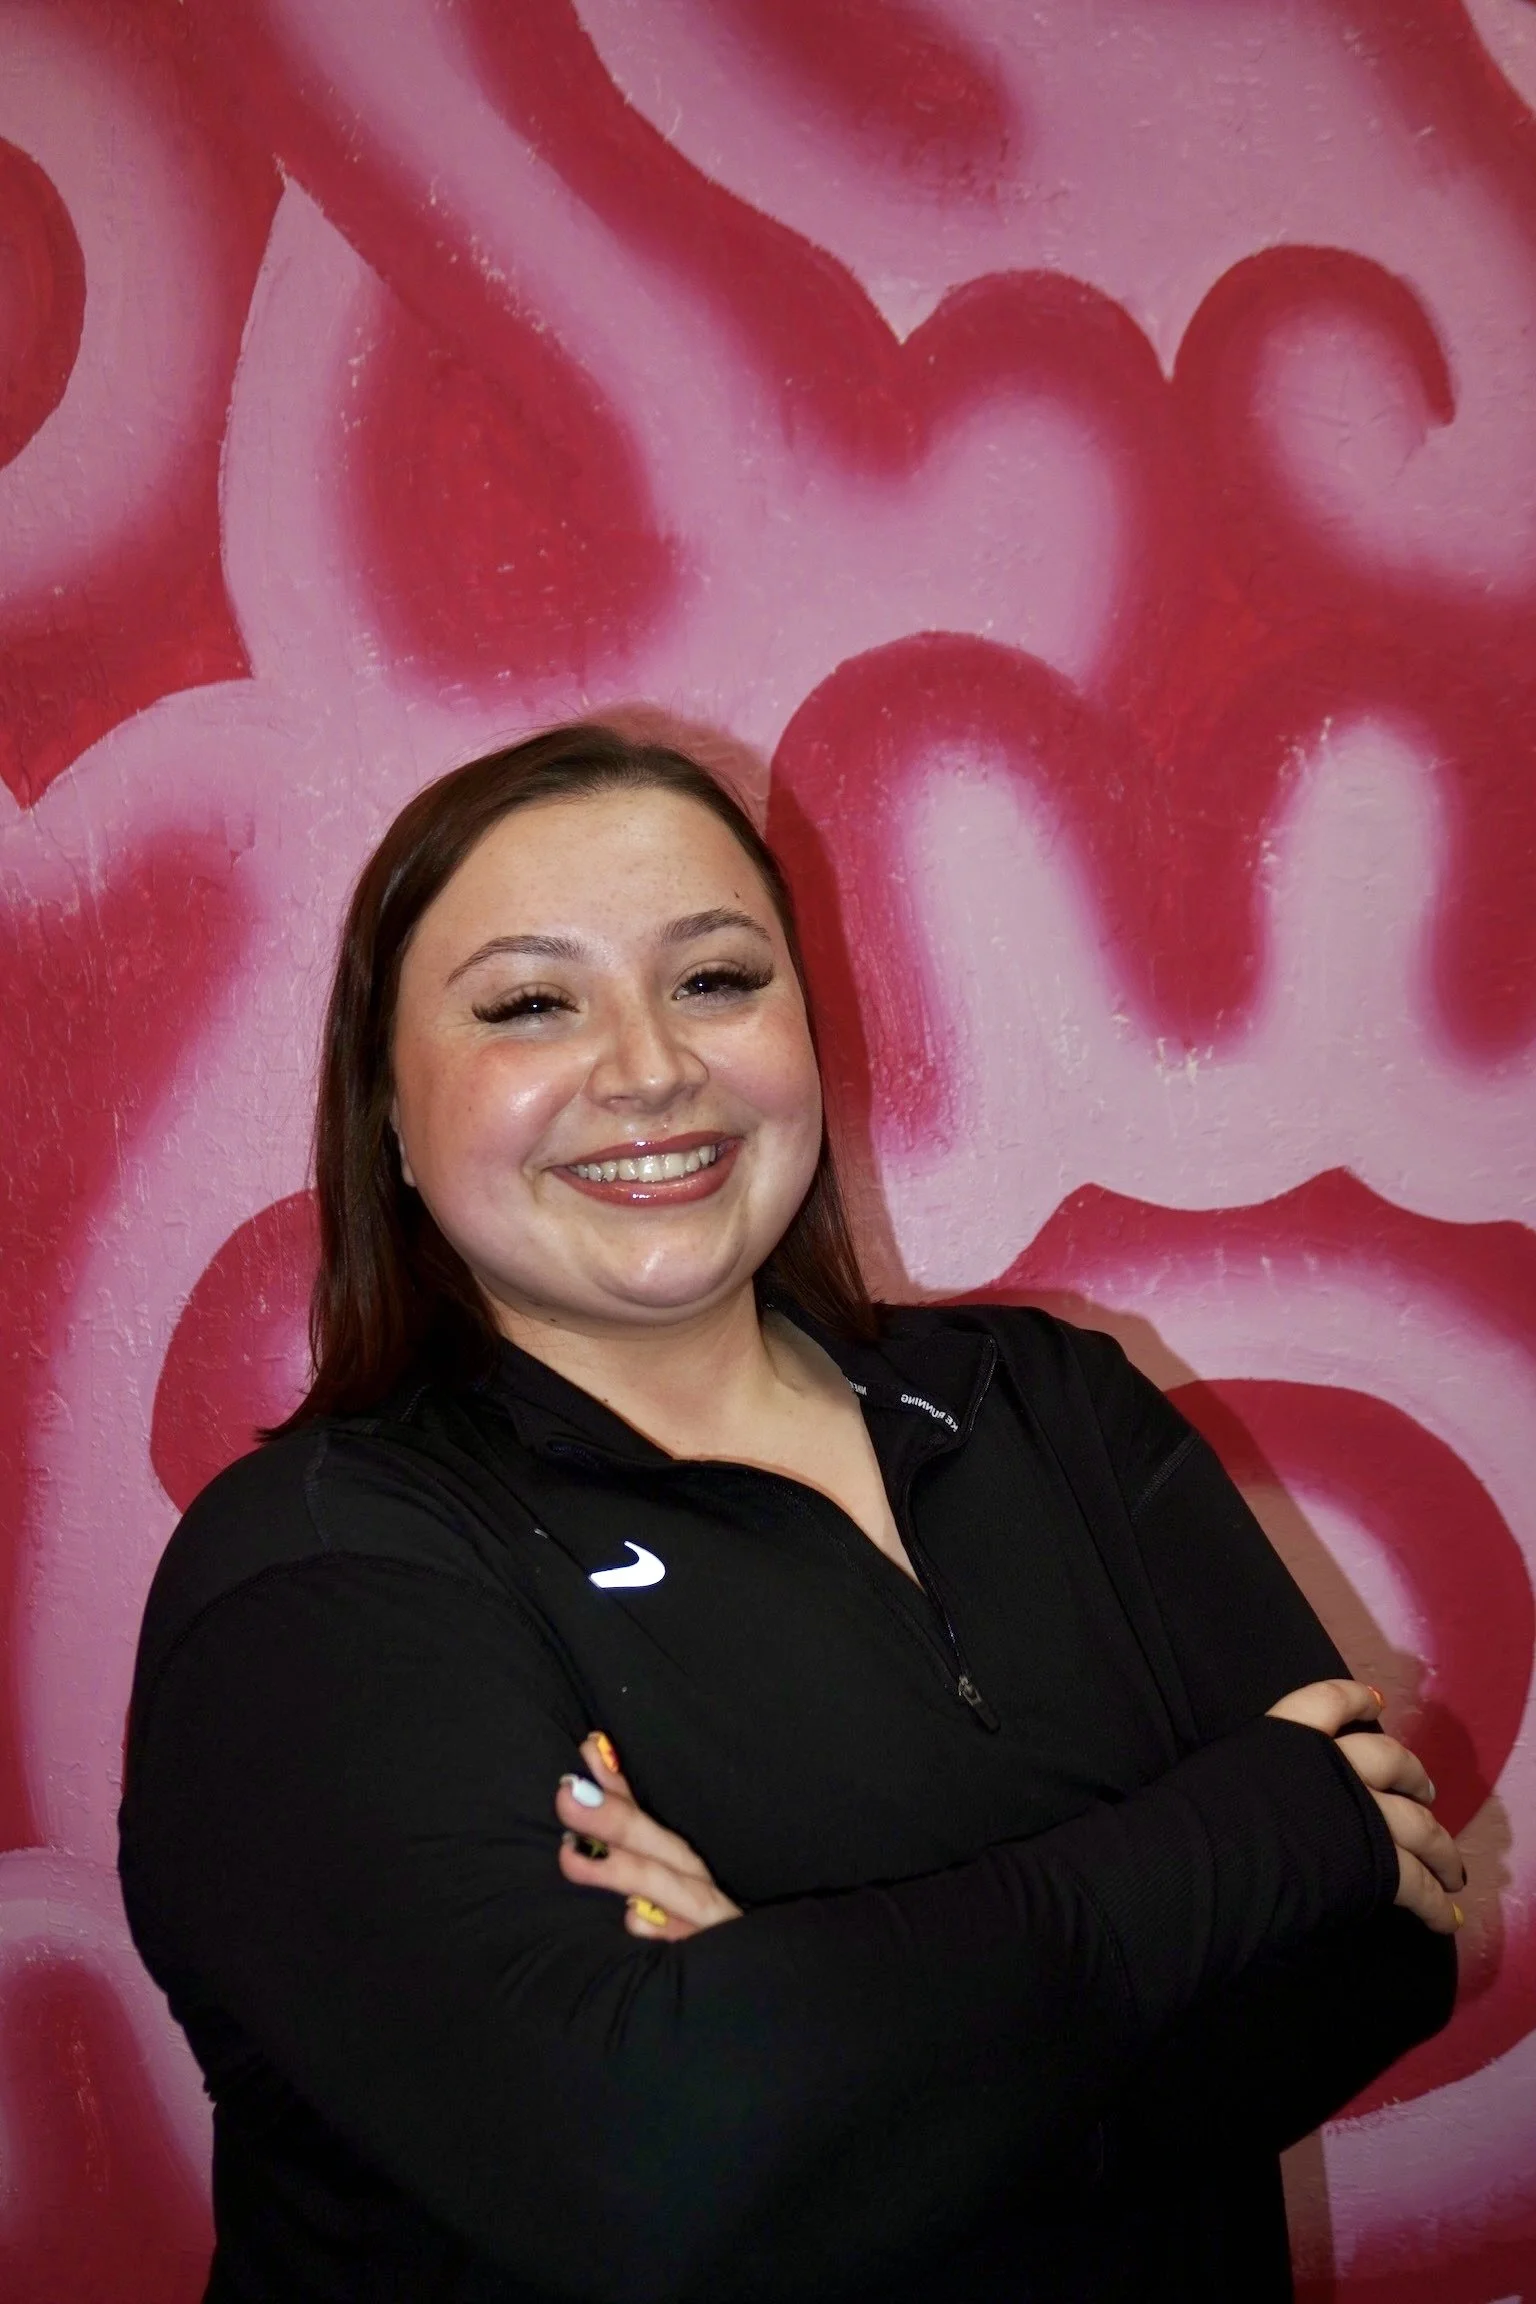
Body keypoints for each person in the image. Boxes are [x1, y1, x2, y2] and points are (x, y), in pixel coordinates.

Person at [118, 722, 1461, 2303]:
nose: (648, 1067)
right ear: (390, 1116)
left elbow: (1388, 1950)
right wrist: (1259, 1832)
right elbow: (652, 2157)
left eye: (715, 978)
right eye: (532, 1003)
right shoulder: (314, 1578)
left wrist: (818, 2055)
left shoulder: (1051, 1404)